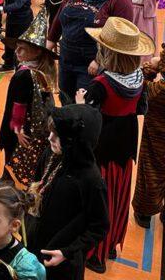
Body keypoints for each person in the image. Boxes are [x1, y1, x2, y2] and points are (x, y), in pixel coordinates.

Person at [76, 17, 154, 273]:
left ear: (106, 51)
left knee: (99, 199)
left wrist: (79, 103)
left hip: (102, 149)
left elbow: (87, 119)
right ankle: (110, 245)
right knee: (119, 197)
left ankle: (95, 254)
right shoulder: (139, 79)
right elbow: (140, 109)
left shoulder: (101, 84)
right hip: (126, 146)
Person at [26, 105, 109, 280]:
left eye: (58, 135)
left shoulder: (91, 180)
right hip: (32, 251)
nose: (50, 138)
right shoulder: (50, 154)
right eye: (51, 132)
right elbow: (35, 186)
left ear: (75, 142)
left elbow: (99, 227)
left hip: (61, 265)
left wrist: (67, 252)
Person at [47, 0, 134, 99]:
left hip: (92, 62)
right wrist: (49, 44)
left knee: (84, 104)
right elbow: (60, 15)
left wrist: (99, 60)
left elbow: (121, 37)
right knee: (65, 97)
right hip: (67, 55)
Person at [0, 7, 59, 186]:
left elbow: (19, 105)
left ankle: (7, 182)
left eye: (22, 49)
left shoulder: (24, 74)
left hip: (21, 125)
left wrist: (16, 128)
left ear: (37, 51)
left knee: (13, 150)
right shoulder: (44, 71)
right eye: (16, 48)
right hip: (34, 125)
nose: (17, 52)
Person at [133, 43, 165, 229]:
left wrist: (150, 67)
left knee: (151, 170)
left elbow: (142, 84)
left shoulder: (159, 90)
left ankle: (144, 212)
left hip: (157, 138)